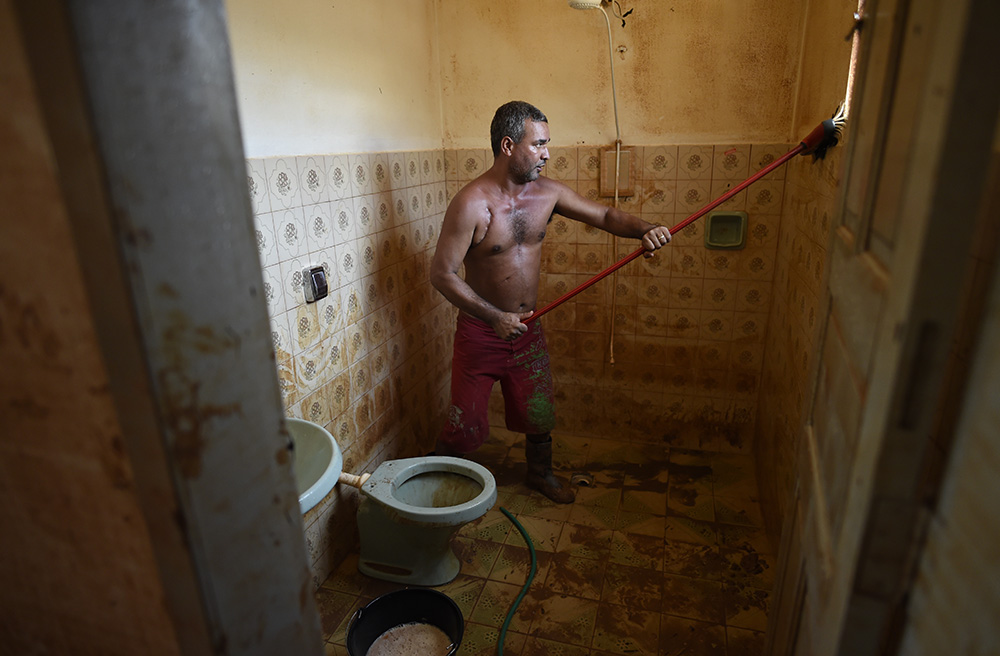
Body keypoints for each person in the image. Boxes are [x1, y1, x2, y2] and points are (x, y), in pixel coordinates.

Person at [430, 100, 671, 504]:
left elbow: (607, 215)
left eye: (547, 144)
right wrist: (493, 317)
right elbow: (441, 273)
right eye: (538, 144)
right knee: (465, 422)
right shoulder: (472, 203)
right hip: (481, 333)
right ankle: (436, 485)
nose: (546, 154)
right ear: (508, 146)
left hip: (528, 327)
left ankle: (540, 474)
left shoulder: (548, 194)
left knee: (538, 410)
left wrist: (647, 230)